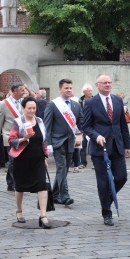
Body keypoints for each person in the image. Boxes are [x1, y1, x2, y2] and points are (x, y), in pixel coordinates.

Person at [82, 74, 130, 226]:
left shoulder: (117, 100)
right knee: (103, 181)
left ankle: (107, 200)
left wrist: (128, 146)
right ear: (97, 85)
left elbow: (123, 125)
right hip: (100, 148)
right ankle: (106, 212)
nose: (108, 85)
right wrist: (96, 136)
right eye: (104, 83)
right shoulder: (91, 103)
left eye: (109, 82)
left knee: (121, 177)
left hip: (117, 146)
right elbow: (86, 126)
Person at [9, 96, 52, 228]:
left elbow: (43, 140)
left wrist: (45, 157)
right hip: (22, 159)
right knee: (20, 186)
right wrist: (24, 138)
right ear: (23, 108)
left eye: (34, 108)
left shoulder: (39, 121)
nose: (32, 110)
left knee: (42, 185)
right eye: (29, 108)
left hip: (38, 159)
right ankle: (19, 211)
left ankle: (43, 215)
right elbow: (11, 141)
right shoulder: (18, 122)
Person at [43, 78, 85, 206]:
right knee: (61, 168)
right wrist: (48, 143)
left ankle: (55, 195)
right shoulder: (53, 104)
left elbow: (81, 122)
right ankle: (65, 196)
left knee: (65, 169)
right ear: (60, 89)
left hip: (71, 141)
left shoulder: (76, 105)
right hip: (57, 141)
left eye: (71, 88)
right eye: (66, 88)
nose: (69, 90)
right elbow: (47, 125)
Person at [0, 84, 25, 191]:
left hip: (22, 137)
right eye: (22, 90)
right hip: (9, 136)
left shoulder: (24, 102)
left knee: (18, 161)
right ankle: (14, 183)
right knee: (13, 160)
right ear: (14, 91)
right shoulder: (4, 104)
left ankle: (10, 181)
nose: (24, 92)